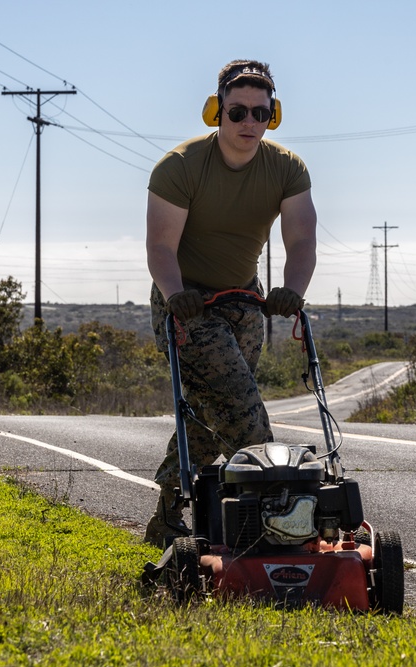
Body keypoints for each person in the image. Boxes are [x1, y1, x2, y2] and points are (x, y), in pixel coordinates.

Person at [143, 59, 318, 548]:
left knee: (209, 413)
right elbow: (160, 247)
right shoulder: (179, 167)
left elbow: (301, 240)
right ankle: (276, 526)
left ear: (273, 116)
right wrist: (177, 296)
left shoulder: (286, 168)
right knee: (244, 414)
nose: (249, 123)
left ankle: (167, 518)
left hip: (244, 302)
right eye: (237, 111)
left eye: (260, 114)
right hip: (186, 303)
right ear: (216, 111)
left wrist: (292, 290)